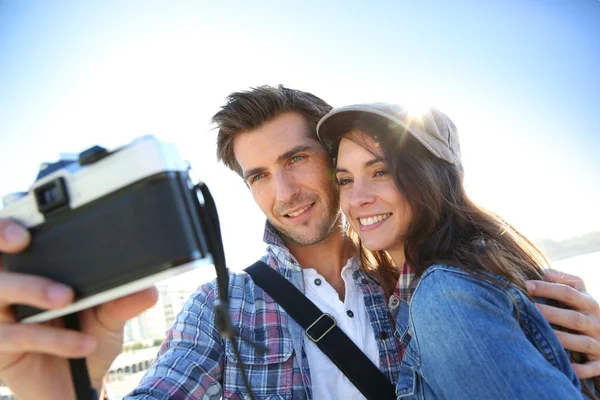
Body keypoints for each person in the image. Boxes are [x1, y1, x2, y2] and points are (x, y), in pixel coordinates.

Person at [0, 86, 599, 399]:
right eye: (259, 175)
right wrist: (68, 393)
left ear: (334, 158)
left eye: (296, 159)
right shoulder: (222, 308)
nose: (284, 191)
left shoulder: (421, 281)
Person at [317, 102, 598, 399]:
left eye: (381, 171)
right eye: (345, 180)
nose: (357, 198)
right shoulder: (461, 272)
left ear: (433, 176)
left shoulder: (444, 295)